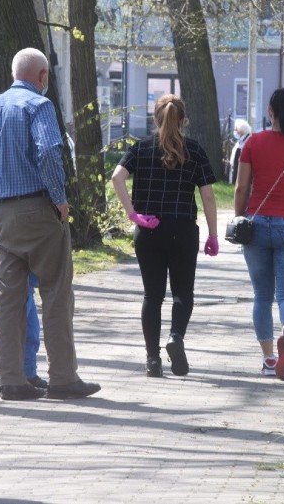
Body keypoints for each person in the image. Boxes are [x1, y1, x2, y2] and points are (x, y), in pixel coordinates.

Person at [0, 47, 100, 401]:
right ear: (42, 77)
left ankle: (10, 381)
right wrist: (59, 199)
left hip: (2, 216)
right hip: (39, 210)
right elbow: (47, 152)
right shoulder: (39, 106)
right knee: (55, 295)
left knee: (8, 301)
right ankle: (62, 379)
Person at [111, 93, 219, 378]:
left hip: (149, 230)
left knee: (153, 295)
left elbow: (116, 178)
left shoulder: (140, 149)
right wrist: (213, 235)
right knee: (183, 292)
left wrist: (133, 214)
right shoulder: (194, 150)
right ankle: (176, 338)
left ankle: (152, 360)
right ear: (183, 120)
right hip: (183, 230)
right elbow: (208, 196)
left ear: (155, 118)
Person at [233, 87, 284, 381]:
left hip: (256, 225)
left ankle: (269, 359)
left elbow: (241, 187)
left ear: (271, 112)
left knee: (261, 296)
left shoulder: (253, 142)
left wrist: (239, 216)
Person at [0, 271, 48, 395]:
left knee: (31, 333)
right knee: (5, 333)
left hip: (26, 285)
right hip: (13, 285)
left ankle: (28, 375)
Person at [229, 119, 252, 185]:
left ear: (241, 130)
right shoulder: (239, 141)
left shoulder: (247, 141)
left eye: (236, 129)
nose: (234, 131)